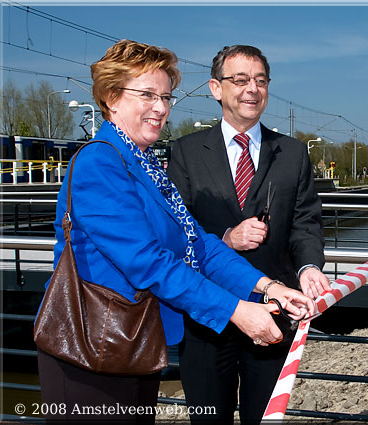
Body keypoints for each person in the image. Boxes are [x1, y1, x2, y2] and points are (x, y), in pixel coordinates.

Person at [36, 39, 313, 425]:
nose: (161, 108)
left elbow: (197, 244)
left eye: (166, 97)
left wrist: (268, 286)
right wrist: (237, 311)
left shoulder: (145, 164)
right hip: (91, 348)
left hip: (134, 343)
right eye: (147, 95)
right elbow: (149, 262)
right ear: (112, 98)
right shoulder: (100, 161)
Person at [167, 45, 332, 424]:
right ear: (215, 88)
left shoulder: (292, 153)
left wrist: (308, 265)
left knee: (265, 418)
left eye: (260, 81)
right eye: (239, 80)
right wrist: (226, 237)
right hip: (208, 318)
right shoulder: (186, 152)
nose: (251, 90)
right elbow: (178, 229)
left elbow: (306, 221)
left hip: (274, 315)